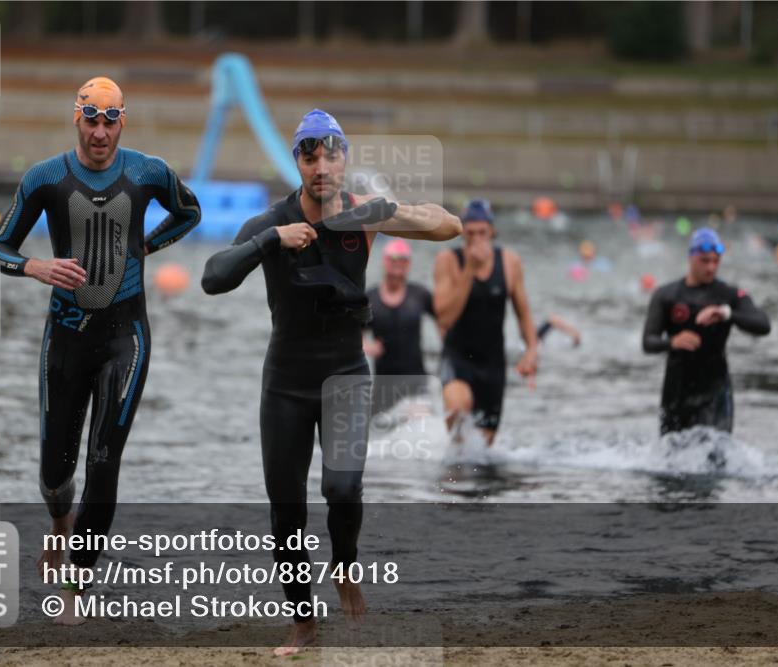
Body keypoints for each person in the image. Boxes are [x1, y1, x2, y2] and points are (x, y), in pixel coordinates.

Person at [201, 109, 461, 655]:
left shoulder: (362, 220)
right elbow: (212, 278)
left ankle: (344, 566)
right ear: (297, 161)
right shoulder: (270, 221)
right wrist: (270, 240)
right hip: (286, 383)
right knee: (286, 506)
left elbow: (448, 226)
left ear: (345, 159)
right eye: (310, 155)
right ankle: (303, 622)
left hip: (345, 374)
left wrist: (391, 212)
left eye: (332, 154)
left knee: (342, 489)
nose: (322, 165)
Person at [0, 77, 201, 624]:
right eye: (91, 118)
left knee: (104, 462)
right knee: (55, 475)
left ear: (122, 120)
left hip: (126, 338)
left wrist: (148, 246)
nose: (100, 131)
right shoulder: (46, 178)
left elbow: (190, 213)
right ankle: (61, 522)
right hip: (65, 338)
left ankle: (77, 588)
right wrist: (36, 266)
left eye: (110, 119)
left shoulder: (148, 172)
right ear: (75, 118)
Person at [642, 227, 770, 436]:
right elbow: (648, 342)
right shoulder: (666, 295)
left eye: (715, 261)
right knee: (672, 459)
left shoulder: (729, 294)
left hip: (715, 391)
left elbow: (763, 325)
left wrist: (727, 314)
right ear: (691, 257)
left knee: (716, 458)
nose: (711, 267)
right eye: (704, 260)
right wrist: (672, 342)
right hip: (677, 390)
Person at [433, 199, 538, 446]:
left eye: (482, 232)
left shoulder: (510, 262)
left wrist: (532, 350)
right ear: (462, 233)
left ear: (492, 231)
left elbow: (523, 313)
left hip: (492, 364)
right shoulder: (448, 260)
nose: (477, 239)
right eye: (470, 233)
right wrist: (469, 269)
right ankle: (450, 473)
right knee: (458, 409)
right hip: (457, 357)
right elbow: (445, 317)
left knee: (483, 449)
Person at [364, 238, 437, 414]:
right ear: (384, 262)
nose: (397, 265)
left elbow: (443, 322)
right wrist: (367, 346)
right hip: (384, 383)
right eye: (393, 259)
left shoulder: (420, 294)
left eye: (402, 260)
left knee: (419, 421)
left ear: (409, 264)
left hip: (416, 381)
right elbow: (352, 334)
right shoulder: (370, 298)